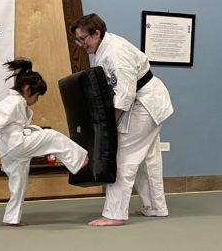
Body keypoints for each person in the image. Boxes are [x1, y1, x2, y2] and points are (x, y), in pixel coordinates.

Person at [70, 13, 174, 226]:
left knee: (124, 156)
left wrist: (107, 127)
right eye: (78, 40)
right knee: (147, 159)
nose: (81, 44)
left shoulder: (116, 54)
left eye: (83, 39)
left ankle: (114, 214)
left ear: (96, 33)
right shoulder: (105, 48)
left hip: (145, 104)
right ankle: (156, 207)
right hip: (148, 100)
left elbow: (124, 97)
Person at [0, 58, 88, 226]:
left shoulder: (18, 102)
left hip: (9, 151)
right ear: (26, 89)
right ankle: (78, 159)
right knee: (52, 136)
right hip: (16, 144)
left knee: (19, 185)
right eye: (37, 95)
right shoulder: (14, 101)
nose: (37, 99)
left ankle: (12, 218)